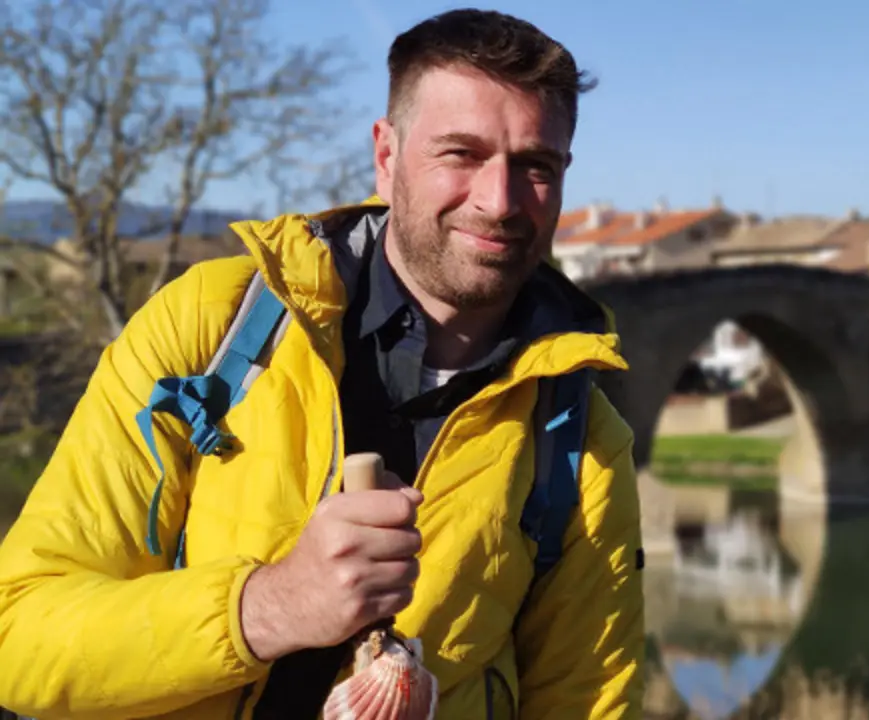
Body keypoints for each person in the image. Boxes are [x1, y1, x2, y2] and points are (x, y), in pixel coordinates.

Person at [0, 8, 644, 720]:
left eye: (535, 166)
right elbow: (18, 636)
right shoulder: (213, 330)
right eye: (460, 154)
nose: (499, 200)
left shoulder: (579, 436)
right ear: (387, 154)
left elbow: (586, 705)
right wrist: (268, 607)